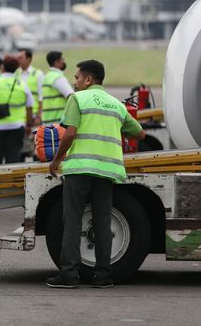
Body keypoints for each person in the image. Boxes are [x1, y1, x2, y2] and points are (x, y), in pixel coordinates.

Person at [46, 60, 145, 289]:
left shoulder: (77, 99)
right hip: (106, 171)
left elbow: (70, 133)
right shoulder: (115, 105)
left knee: (72, 220)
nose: (75, 82)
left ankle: (69, 274)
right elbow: (140, 133)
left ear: (88, 79)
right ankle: (103, 275)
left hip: (80, 168)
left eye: (77, 78)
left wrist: (56, 160)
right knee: (102, 221)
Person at [0, 55, 34, 165]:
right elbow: (30, 106)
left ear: (2, 67)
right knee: (13, 158)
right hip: (17, 127)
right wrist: (28, 125)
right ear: (17, 68)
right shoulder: (21, 84)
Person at [42, 51, 73, 125]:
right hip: (58, 121)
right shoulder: (57, 78)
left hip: (48, 120)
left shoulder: (47, 76)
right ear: (56, 62)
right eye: (62, 59)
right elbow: (71, 96)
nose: (64, 62)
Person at [17, 48, 44, 125]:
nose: (18, 60)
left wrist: (39, 116)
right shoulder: (15, 74)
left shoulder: (38, 74)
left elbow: (41, 97)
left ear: (28, 59)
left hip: (34, 116)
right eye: (17, 58)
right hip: (19, 116)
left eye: (21, 58)